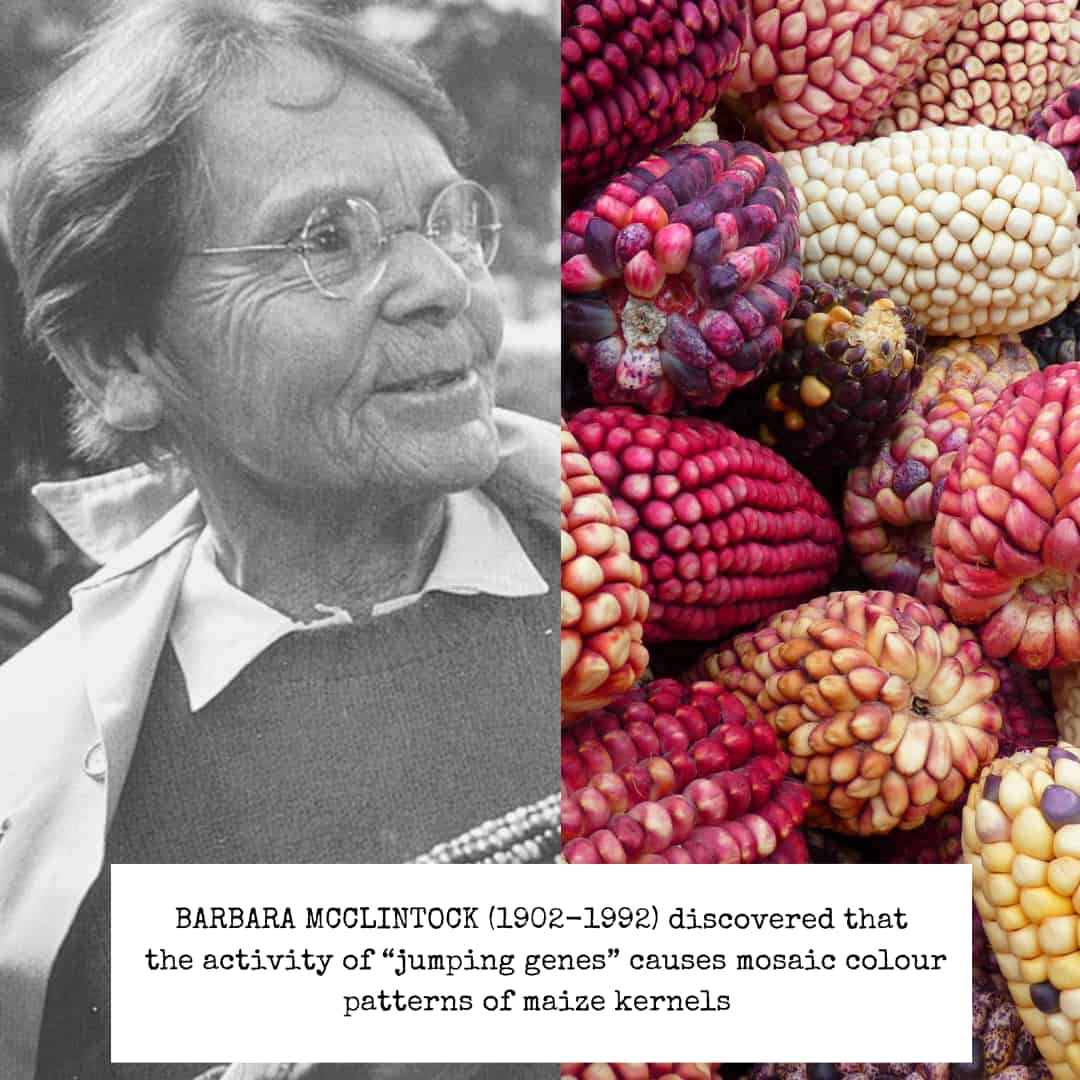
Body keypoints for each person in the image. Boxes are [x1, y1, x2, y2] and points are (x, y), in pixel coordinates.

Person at [0, 1, 559, 1076]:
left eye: (450, 220)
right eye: (326, 239)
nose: (444, 287)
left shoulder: (643, 561)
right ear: (117, 358)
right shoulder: (31, 762)